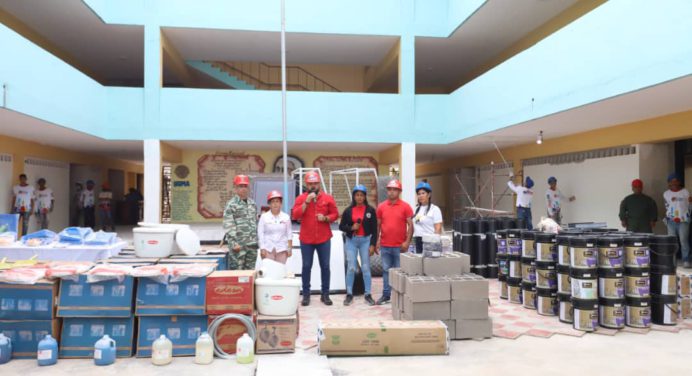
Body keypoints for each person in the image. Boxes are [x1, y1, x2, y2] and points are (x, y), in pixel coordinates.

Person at [291, 171, 338, 306]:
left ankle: (325, 294)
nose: (313, 186)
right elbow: (295, 215)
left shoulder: (328, 198)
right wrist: (306, 202)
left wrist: (326, 218)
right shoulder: (301, 198)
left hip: (324, 238)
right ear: (306, 184)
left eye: (315, 183)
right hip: (306, 239)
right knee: (306, 266)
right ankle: (306, 295)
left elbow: (335, 214)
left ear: (319, 184)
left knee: (325, 266)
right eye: (310, 184)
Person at [376, 179, 413, 305]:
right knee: (386, 271)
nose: (392, 192)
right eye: (390, 189)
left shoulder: (405, 206)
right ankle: (386, 295)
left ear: (399, 192)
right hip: (385, 245)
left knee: (400, 271)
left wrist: (407, 242)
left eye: (395, 190)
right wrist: (377, 241)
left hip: (399, 246)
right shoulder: (381, 207)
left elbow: (411, 225)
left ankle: (399, 296)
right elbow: (378, 226)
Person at [339, 184, 378, 306]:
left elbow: (375, 230)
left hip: (365, 241)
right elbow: (341, 226)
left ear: (365, 196)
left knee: (366, 268)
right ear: (354, 196)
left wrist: (372, 245)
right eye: (357, 195)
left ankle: (367, 294)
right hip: (352, 241)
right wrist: (351, 228)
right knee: (351, 267)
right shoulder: (348, 210)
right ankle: (349, 293)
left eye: (362, 195)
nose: (359, 197)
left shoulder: (370, 211)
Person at [223, 175, 259, 270]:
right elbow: (229, 225)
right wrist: (234, 243)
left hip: (252, 246)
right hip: (238, 247)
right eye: (241, 186)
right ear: (235, 188)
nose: (243, 189)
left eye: (245, 186)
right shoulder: (231, 204)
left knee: (250, 274)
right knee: (237, 275)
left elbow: (255, 222)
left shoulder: (252, 204)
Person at [663, 173, 691, 267]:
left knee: (683, 240)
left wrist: (688, 216)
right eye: (671, 181)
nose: (674, 183)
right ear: (669, 183)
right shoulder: (666, 194)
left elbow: (689, 205)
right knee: (672, 241)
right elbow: (667, 206)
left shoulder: (685, 192)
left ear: (679, 182)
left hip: (683, 220)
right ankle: (672, 260)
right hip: (671, 221)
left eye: (676, 181)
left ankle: (686, 260)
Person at [258, 190, 292, 264]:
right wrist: (262, 248)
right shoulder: (264, 217)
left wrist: (289, 249)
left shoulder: (286, 217)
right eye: (272, 202)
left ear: (281, 203)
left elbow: (289, 234)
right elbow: (260, 233)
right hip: (268, 249)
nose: (275, 204)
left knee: (280, 272)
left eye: (277, 201)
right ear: (269, 204)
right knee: (269, 272)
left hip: (282, 249)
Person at [412, 181, 443, 253]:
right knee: (420, 263)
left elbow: (438, 229)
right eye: (419, 194)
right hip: (418, 240)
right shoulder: (416, 209)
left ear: (429, 195)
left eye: (423, 193)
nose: (420, 196)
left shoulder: (435, 209)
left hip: (430, 241)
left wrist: (434, 246)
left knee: (429, 263)